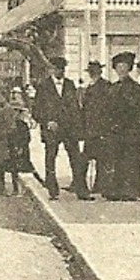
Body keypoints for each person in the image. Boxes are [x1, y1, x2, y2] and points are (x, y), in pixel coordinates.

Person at [32, 55, 89, 200]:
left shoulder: (70, 85)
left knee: (76, 159)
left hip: (69, 130)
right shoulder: (43, 86)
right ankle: (52, 190)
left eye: (62, 69)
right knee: (50, 159)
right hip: (52, 130)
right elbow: (36, 110)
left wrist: (78, 128)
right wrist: (47, 122)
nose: (59, 72)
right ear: (51, 69)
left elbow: (75, 108)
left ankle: (81, 191)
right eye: (56, 69)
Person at [98, 51, 140, 201]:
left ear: (129, 68)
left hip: (130, 130)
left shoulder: (136, 88)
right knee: (115, 159)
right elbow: (105, 110)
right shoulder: (112, 87)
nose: (121, 69)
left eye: (125, 66)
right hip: (114, 130)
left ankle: (130, 191)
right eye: (118, 66)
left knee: (130, 160)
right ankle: (114, 190)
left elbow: (138, 109)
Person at [0, 89, 35, 195]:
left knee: (10, 166)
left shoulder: (7, 110)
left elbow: (9, 127)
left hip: (5, 141)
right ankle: (1, 186)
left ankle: (13, 189)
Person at [79, 59, 110, 198]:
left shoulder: (105, 86)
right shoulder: (89, 87)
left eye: (95, 71)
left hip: (100, 128)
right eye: (91, 71)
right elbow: (85, 108)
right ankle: (82, 184)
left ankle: (100, 185)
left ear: (100, 72)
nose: (92, 74)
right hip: (90, 128)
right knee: (87, 158)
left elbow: (106, 109)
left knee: (101, 159)